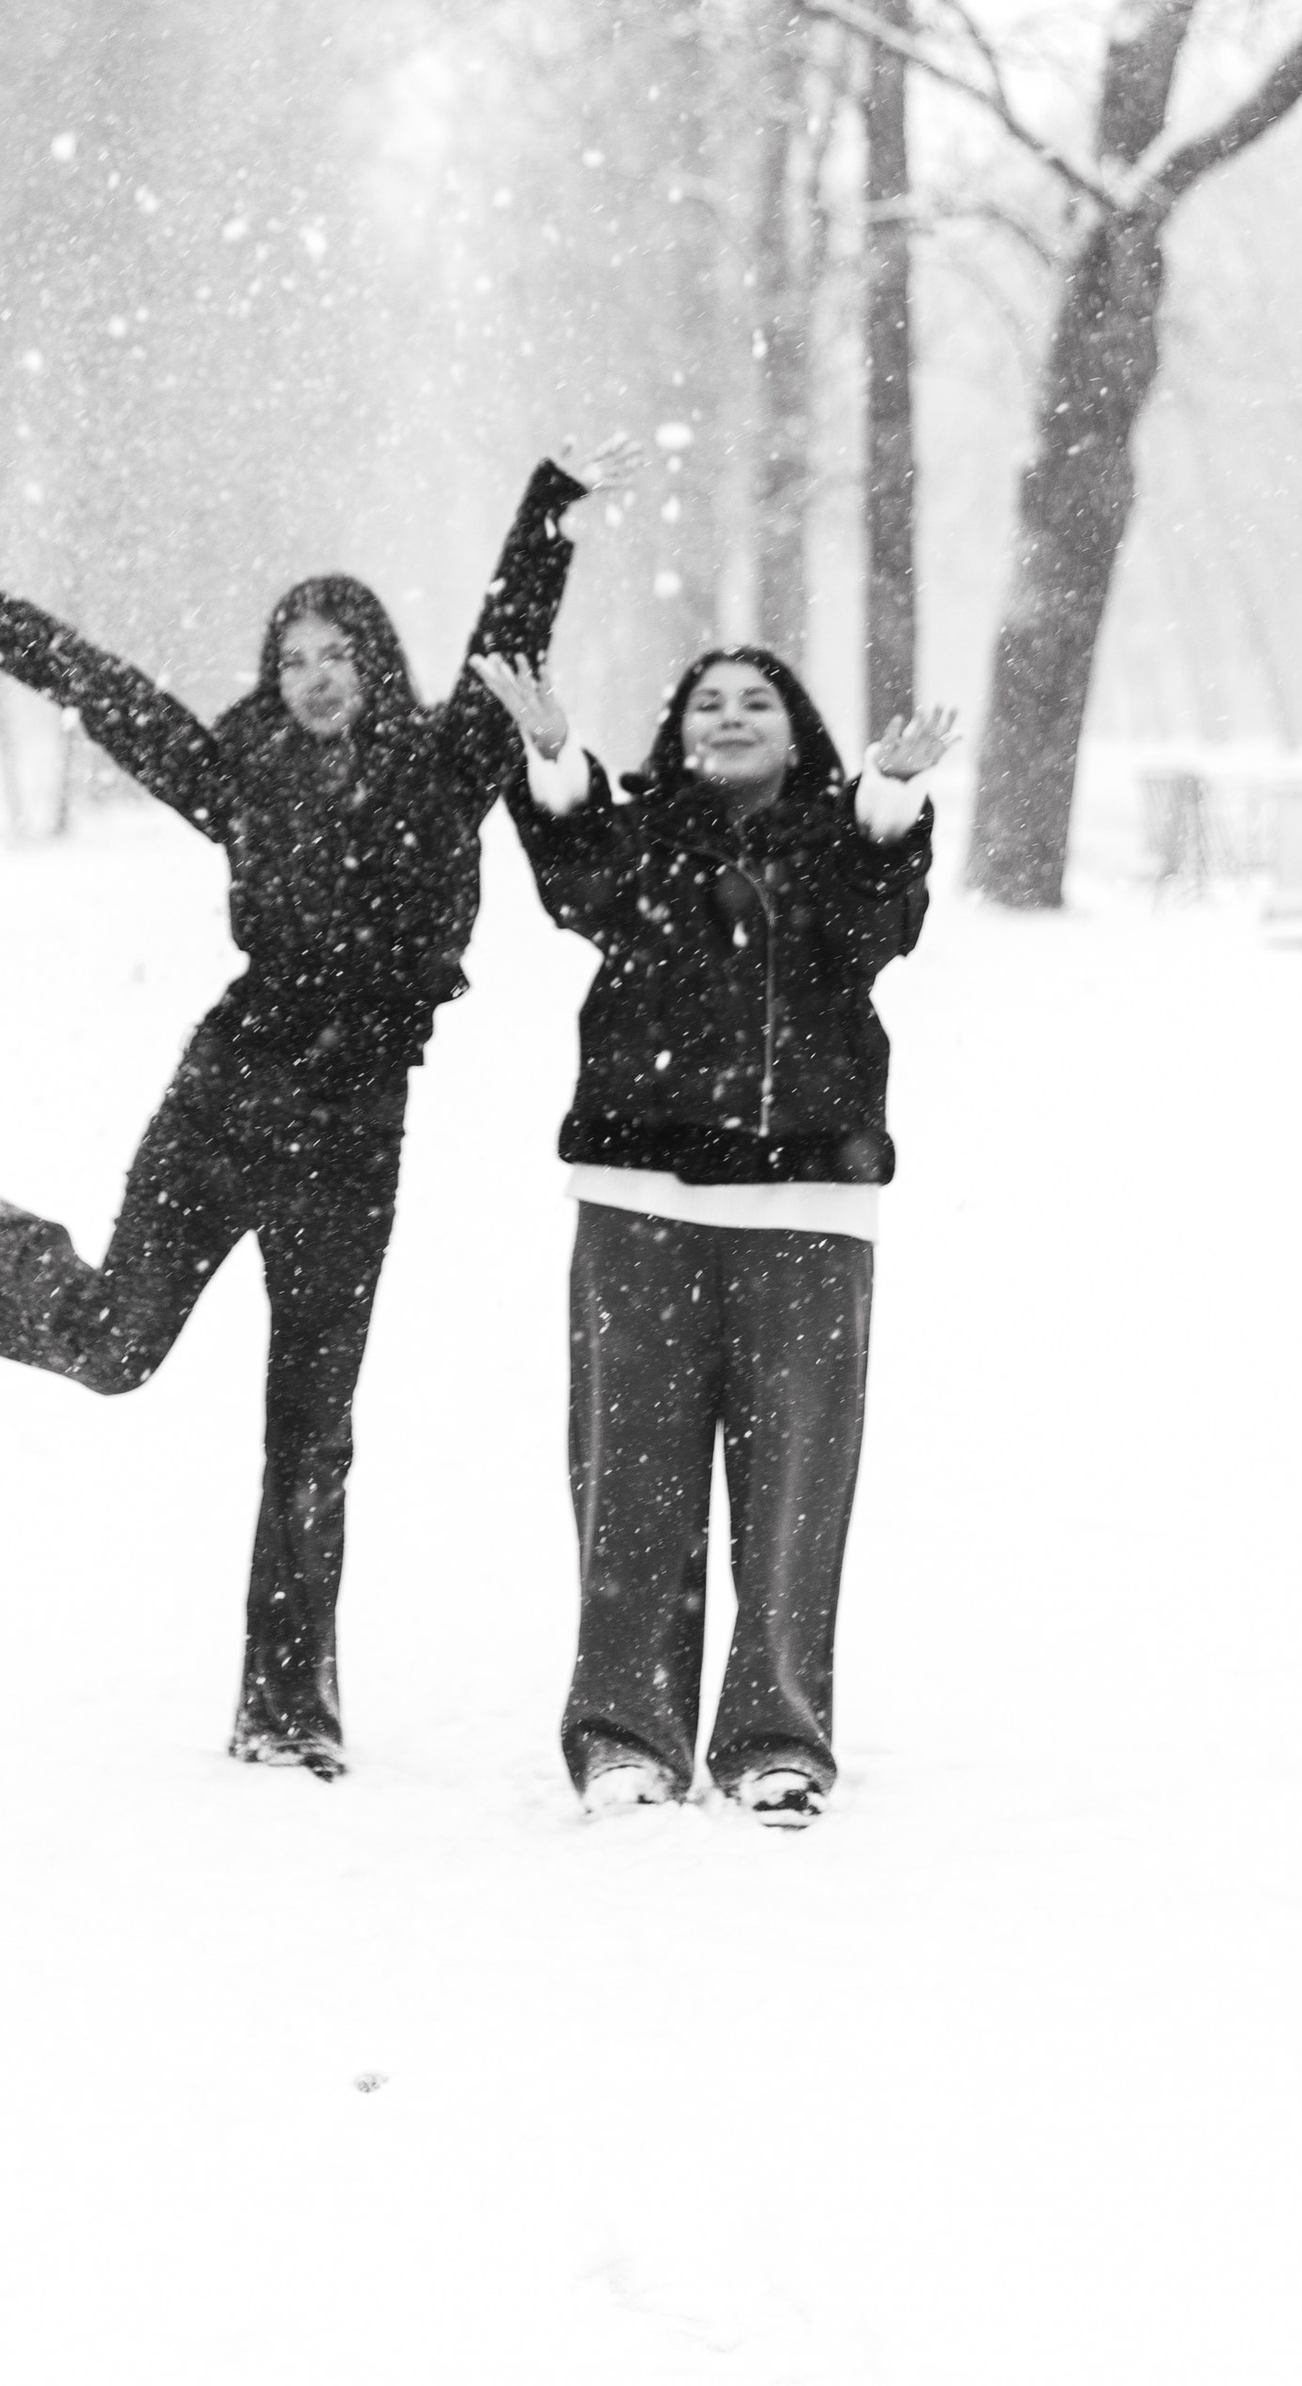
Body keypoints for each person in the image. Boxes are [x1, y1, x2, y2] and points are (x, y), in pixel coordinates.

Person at [0, 437, 638, 1781]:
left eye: (335, 654)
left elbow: (506, 629)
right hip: (226, 1102)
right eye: (292, 658)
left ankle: (287, 1709)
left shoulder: (442, 769)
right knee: (117, 1346)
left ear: (373, 663)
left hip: (353, 1132)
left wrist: (552, 507)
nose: (313, 677)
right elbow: (106, 692)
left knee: (312, 1423)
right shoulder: (239, 776)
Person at [475, 643, 956, 1827]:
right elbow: (574, 878)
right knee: (630, 1489)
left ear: (797, 733)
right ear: (679, 731)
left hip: (806, 1210)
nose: (730, 718)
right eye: (707, 703)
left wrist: (886, 800)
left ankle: (774, 1740)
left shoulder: (844, 844)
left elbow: (882, 921)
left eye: (756, 703)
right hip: (640, 1200)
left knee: (795, 1492)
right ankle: (624, 1737)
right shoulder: (640, 835)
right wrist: (550, 756)